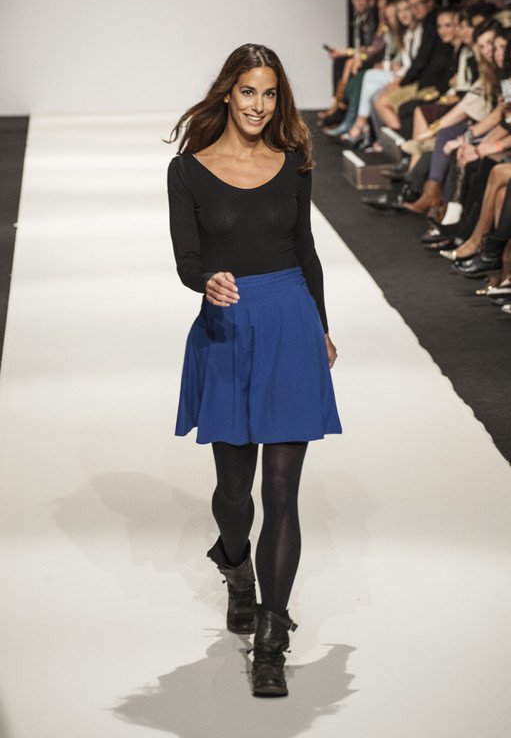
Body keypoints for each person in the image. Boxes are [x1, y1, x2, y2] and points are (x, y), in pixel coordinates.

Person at [166, 43, 342, 698]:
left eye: (269, 94)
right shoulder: (188, 170)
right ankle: (235, 564)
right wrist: (204, 281)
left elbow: (306, 249)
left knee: (281, 492)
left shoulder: (294, 162)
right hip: (229, 327)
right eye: (248, 92)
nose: (259, 106)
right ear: (227, 93)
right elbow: (185, 258)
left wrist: (321, 325)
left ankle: (272, 639)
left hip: (290, 321)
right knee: (235, 493)